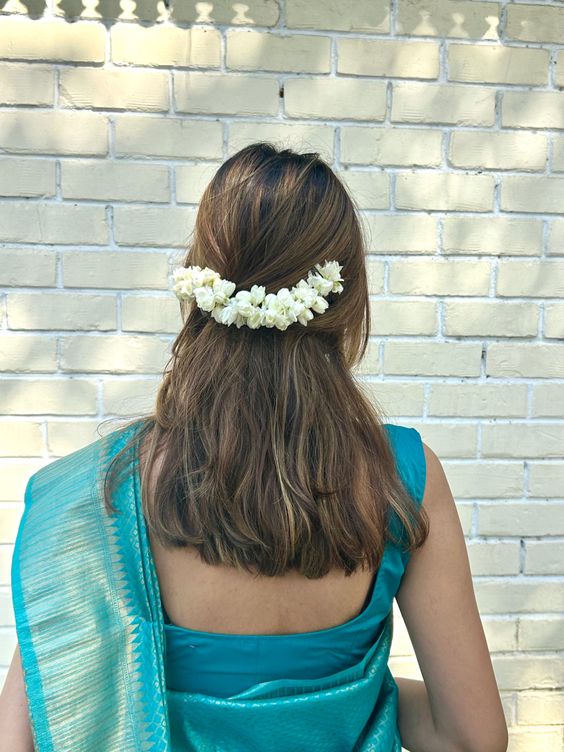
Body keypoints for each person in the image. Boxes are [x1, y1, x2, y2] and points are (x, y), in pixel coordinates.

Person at [1, 143, 508, 751]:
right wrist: (353, 691)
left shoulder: (95, 492)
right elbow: (469, 739)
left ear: (200, 283)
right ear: (346, 300)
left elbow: (25, 735)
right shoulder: (402, 477)